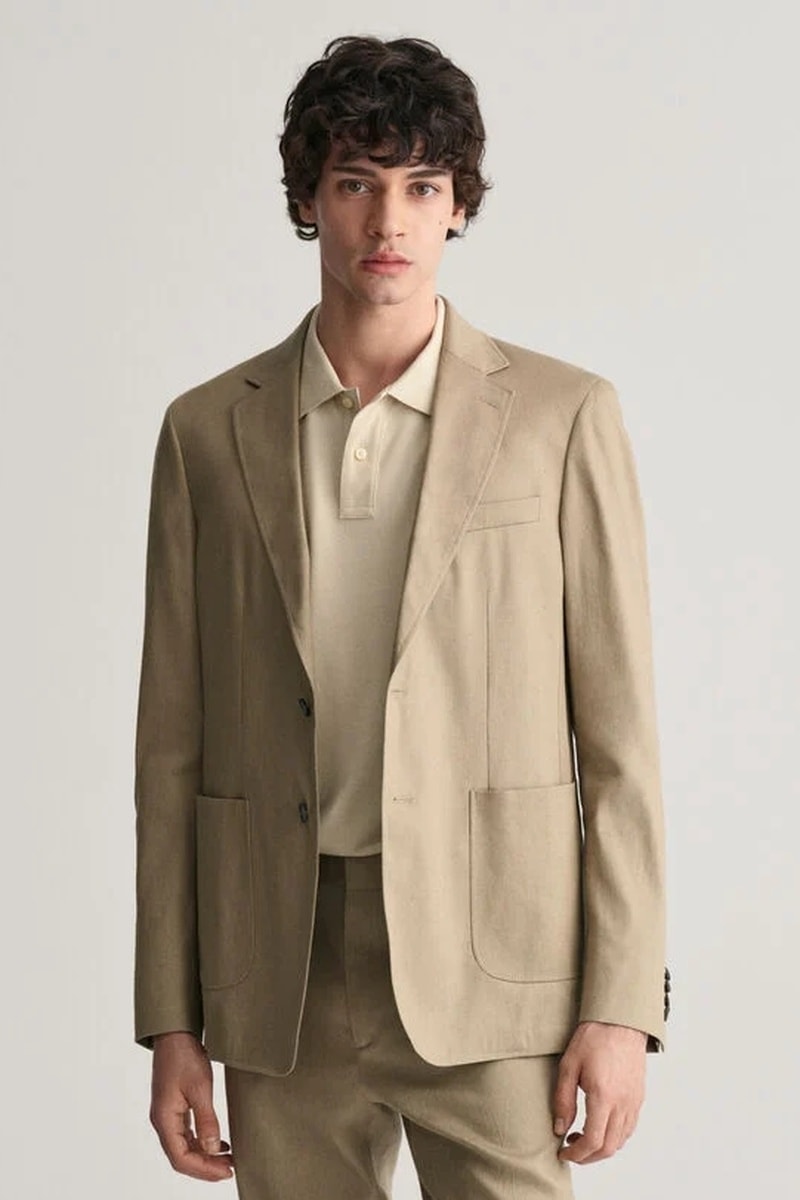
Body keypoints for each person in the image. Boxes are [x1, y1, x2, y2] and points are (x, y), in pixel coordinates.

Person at [134, 33, 671, 1199]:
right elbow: (169, 748)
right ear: (306, 201)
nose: (388, 222)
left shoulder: (560, 418)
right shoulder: (206, 434)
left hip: (499, 961)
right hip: (278, 967)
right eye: (354, 183)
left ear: (458, 207)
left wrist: (622, 1004)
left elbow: (618, 739)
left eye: (421, 187)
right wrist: (171, 1019)